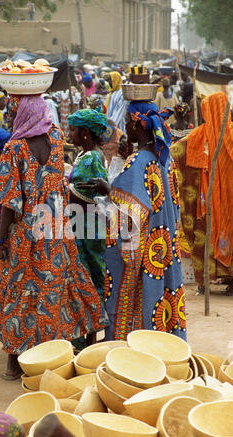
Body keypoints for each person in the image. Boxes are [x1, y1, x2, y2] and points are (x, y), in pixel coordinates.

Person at [0, 94, 108, 379]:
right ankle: (67, 349)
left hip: (25, 233)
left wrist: (1, 241)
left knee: (19, 289)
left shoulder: (14, 149)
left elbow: (9, 202)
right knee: (60, 284)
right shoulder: (55, 141)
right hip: (55, 228)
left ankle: (14, 364)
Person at [83, 100, 187, 341]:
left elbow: (131, 210)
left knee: (134, 300)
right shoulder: (165, 158)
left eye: (127, 123)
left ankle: (130, 353)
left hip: (143, 250)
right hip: (163, 244)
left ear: (136, 125)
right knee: (161, 295)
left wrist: (107, 189)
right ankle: (163, 347)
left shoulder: (137, 161)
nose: (125, 129)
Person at [170, 91, 233, 295]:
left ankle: (205, 281)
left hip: (207, 203)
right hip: (225, 204)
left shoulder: (198, 136)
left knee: (203, 235)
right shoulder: (226, 135)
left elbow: (176, 151)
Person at [67, 108, 109, 306]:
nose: (69, 134)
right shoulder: (85, 154)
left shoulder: (92, 157)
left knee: (90, 273)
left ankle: (92, 328)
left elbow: (88, 191)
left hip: (88, 223)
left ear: (85, 133)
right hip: (84, 221)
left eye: (73, 130)